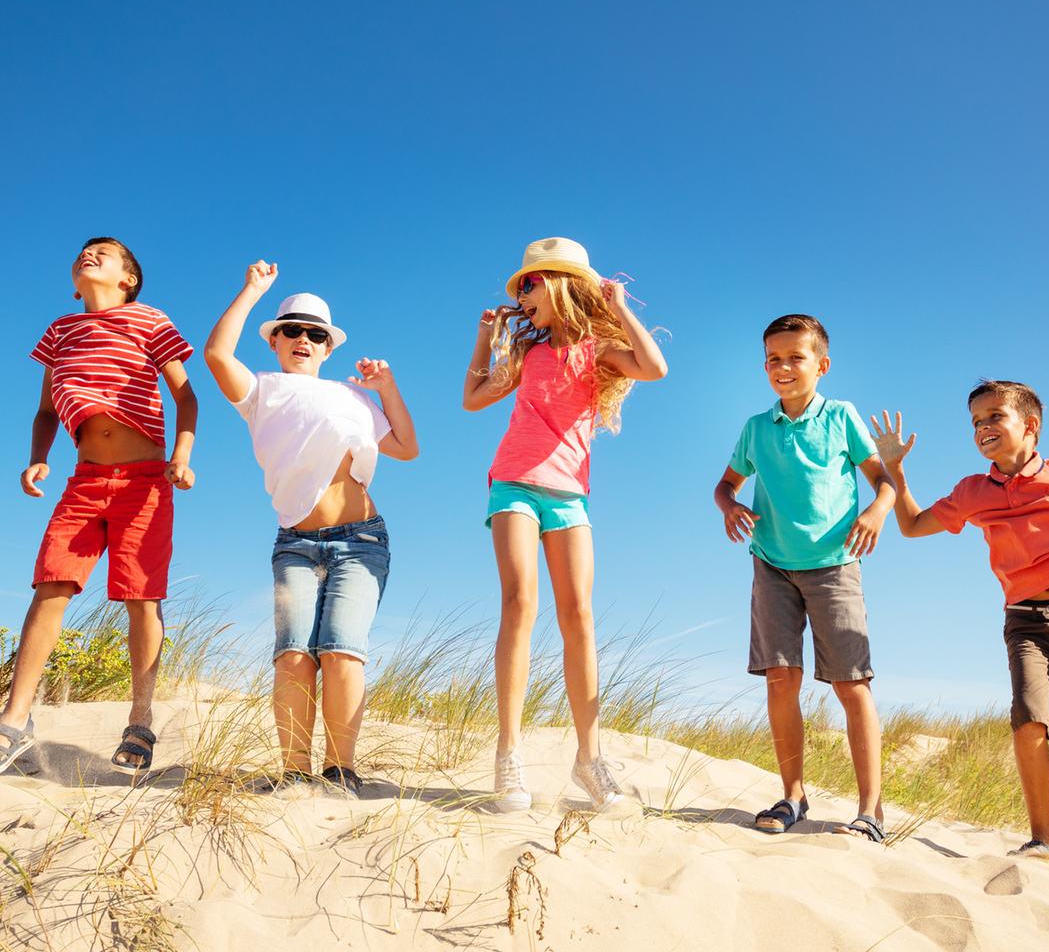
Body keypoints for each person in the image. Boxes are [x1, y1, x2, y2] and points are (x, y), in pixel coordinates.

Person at [872, 373, 1049, 873]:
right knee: (1028, 722)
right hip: (1026, 624)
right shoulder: (973, 491)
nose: (983, 428)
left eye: (995, 416)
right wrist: (895, 470)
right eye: (976, 421)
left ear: (1031, 425)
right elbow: (913, 526)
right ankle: (1041, 840)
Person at [463, 237, 667, 813]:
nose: (522, 295)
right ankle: (509, 754)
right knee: (519, 602)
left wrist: (619, 304)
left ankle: (589, 758)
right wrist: (485, 336)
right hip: (513, 484)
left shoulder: (599, 346)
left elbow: (654, 367)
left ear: (559, 285)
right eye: (520, 287)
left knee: (578, 614)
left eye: (531, 284)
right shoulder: (527, 355)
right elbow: (473, 397)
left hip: (569, 495)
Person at [205, 261, 418, 798]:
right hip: (295, 544)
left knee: (343, 649)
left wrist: (387, 388)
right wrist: (252, 289)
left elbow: (406, 447)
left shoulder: (356, 399)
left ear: (328, 347)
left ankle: (339, 771)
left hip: (361, 540)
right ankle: (295, 771)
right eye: (292, 330)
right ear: (275, 340)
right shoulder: (262, 389)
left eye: (315, 334)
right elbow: (215, 355)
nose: (304, 338)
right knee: (294, 653)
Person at [0, 237, 197, 775]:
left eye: (104, 253)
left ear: (128, 278)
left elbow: (186, 397)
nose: (90, 255)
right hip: (84, 480)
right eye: (84, 252)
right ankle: (14, 720)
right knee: (51, 586)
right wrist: (39, 457)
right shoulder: (61, 332)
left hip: (145, 481)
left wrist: (181, 455)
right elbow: (45, 410)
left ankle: (140, 719)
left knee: (141, 596)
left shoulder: (149, 320)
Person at [714, 314, 894, 841]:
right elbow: (724, 484)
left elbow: (881, 480)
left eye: (795, 357)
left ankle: (871, 810)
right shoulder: (755, 427)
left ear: (822, 365)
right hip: (771, 563)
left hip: (835, 565)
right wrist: (728, 505)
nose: (783, 367)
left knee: (850, 683)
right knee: (779, 678)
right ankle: (793, 795)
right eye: (774, 359)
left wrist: (877, 513)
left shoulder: (840, 416)